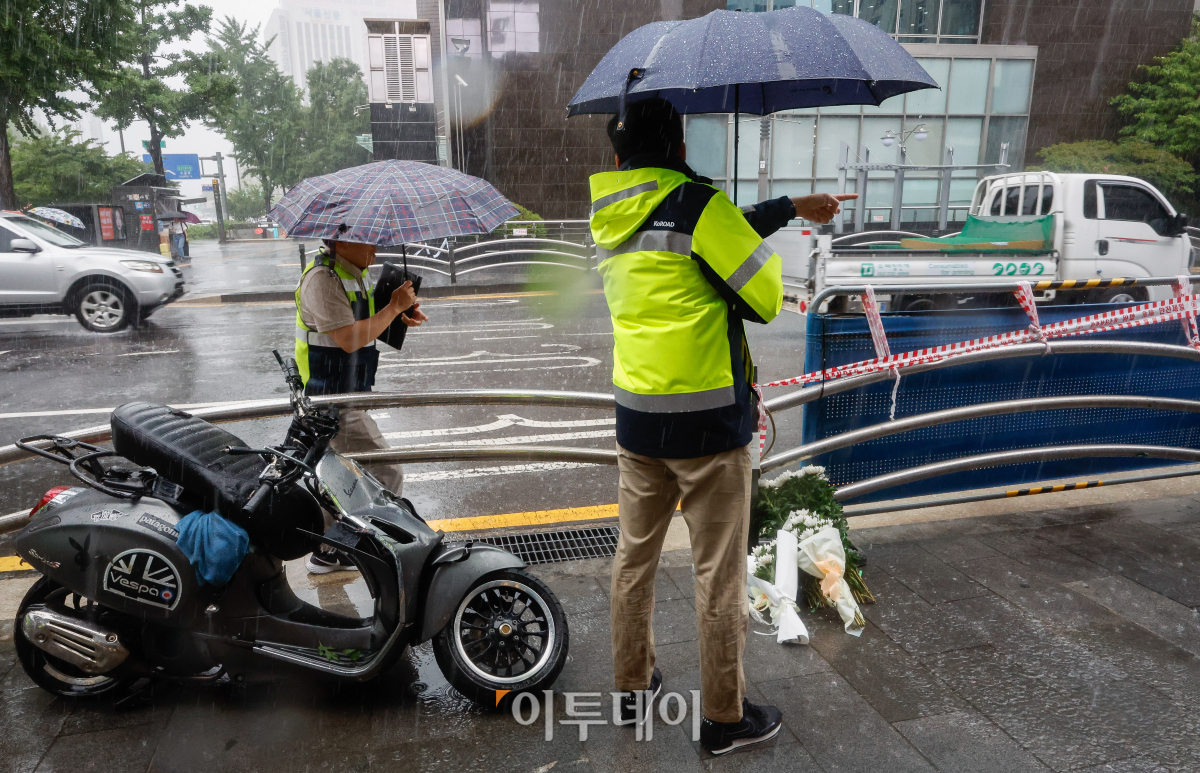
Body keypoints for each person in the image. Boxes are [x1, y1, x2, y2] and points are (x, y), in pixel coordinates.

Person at [589, 98, 856, 755]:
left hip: (638, 420)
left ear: (618, 156)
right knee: (717, 574)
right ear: (680, 146)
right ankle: (722, 717)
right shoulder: (700, 206)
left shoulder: (608, 212)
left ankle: (631, 686)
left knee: (634, 559)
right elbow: (762, 297)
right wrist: (769, 231)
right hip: (708, 425)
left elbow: (697, 229)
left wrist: (788, 206)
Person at [294, 237, 429, 573]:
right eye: (366, 240)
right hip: (332, 399)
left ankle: (328, 549)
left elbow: (365, 323)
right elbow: (348, 338)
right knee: (386, 471)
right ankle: (355, 548)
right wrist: (393, 308)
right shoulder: (323, 279)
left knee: (337, 474)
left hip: (346, 391)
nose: (375, 247)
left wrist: (400, 314)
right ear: (340, 239)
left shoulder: (352, 272)